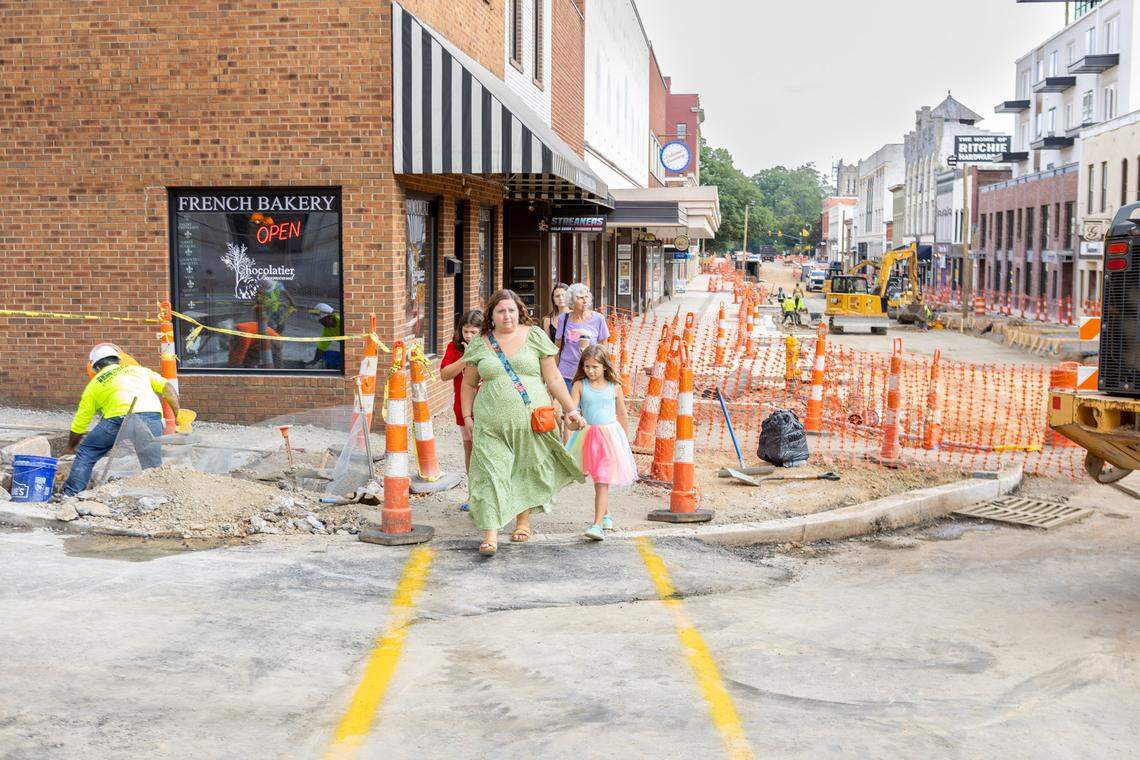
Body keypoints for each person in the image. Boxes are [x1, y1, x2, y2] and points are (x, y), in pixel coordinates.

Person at [460, 289, 586, 556]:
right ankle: (491, 532)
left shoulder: (535, 336)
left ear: (520, 312)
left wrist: (571, 410)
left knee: (523, 470)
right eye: (501, 311)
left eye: (511, 310)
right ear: (491, 316)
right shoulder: (480, 343)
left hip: (530, 420)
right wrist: (467, 416)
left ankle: (522, 521)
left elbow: (553, 379)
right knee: (491, 473)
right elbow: (469, 384)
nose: (507, 315)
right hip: (490, 423)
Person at [62, 344, 180, 496]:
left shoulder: (95, 384)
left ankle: (71, 495)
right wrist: (178, 415)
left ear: (95, 368)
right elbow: (168, 388)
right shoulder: (140, 370)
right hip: (151, 418)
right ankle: (157, 496)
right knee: (152, 464)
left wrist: (71, 446)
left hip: (117, 420)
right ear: (118, 361)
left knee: (87, 451)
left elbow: (80, 422)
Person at [564, 345, 636, 541]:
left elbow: (622, 413)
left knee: (602, 482)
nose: (590, 370)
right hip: (588, 437)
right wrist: (570, 422)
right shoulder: (580, 385)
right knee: (598, 480)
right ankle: (606, 515)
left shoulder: (615, 387)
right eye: (586, 366)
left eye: (595, 366)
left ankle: (597, 525)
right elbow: (572, 411)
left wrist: (625, 441)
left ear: (605, 366)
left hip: (610, 437)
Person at [440, 309, 483, 511]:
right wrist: (466, 358)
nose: (469, 336)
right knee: (469, 448)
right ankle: (474, 494)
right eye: (466, 331)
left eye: (474, 332)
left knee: (487, 450)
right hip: (463, 408)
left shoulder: (491, 347)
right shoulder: (455, 348)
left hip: (487, 407)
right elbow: (445, 374)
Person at [554, 282, 609, 393]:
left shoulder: (598, 319)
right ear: (572, 300)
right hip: (567, 374)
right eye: (580, 298)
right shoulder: (563, 319)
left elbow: (604, 349)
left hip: (590, 374)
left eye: (586, 297)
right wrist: (554, 374)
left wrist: (604, 373)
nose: (585, 301)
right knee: (571, 409)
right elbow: (557, 348)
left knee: (588, 409)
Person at [308, 303, 343, 370]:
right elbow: (321, 348)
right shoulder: (327, 331)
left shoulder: (342, 321)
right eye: (321, 323)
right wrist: (315, 361)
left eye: (324, 322)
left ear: (330, 317)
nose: (323, 325)